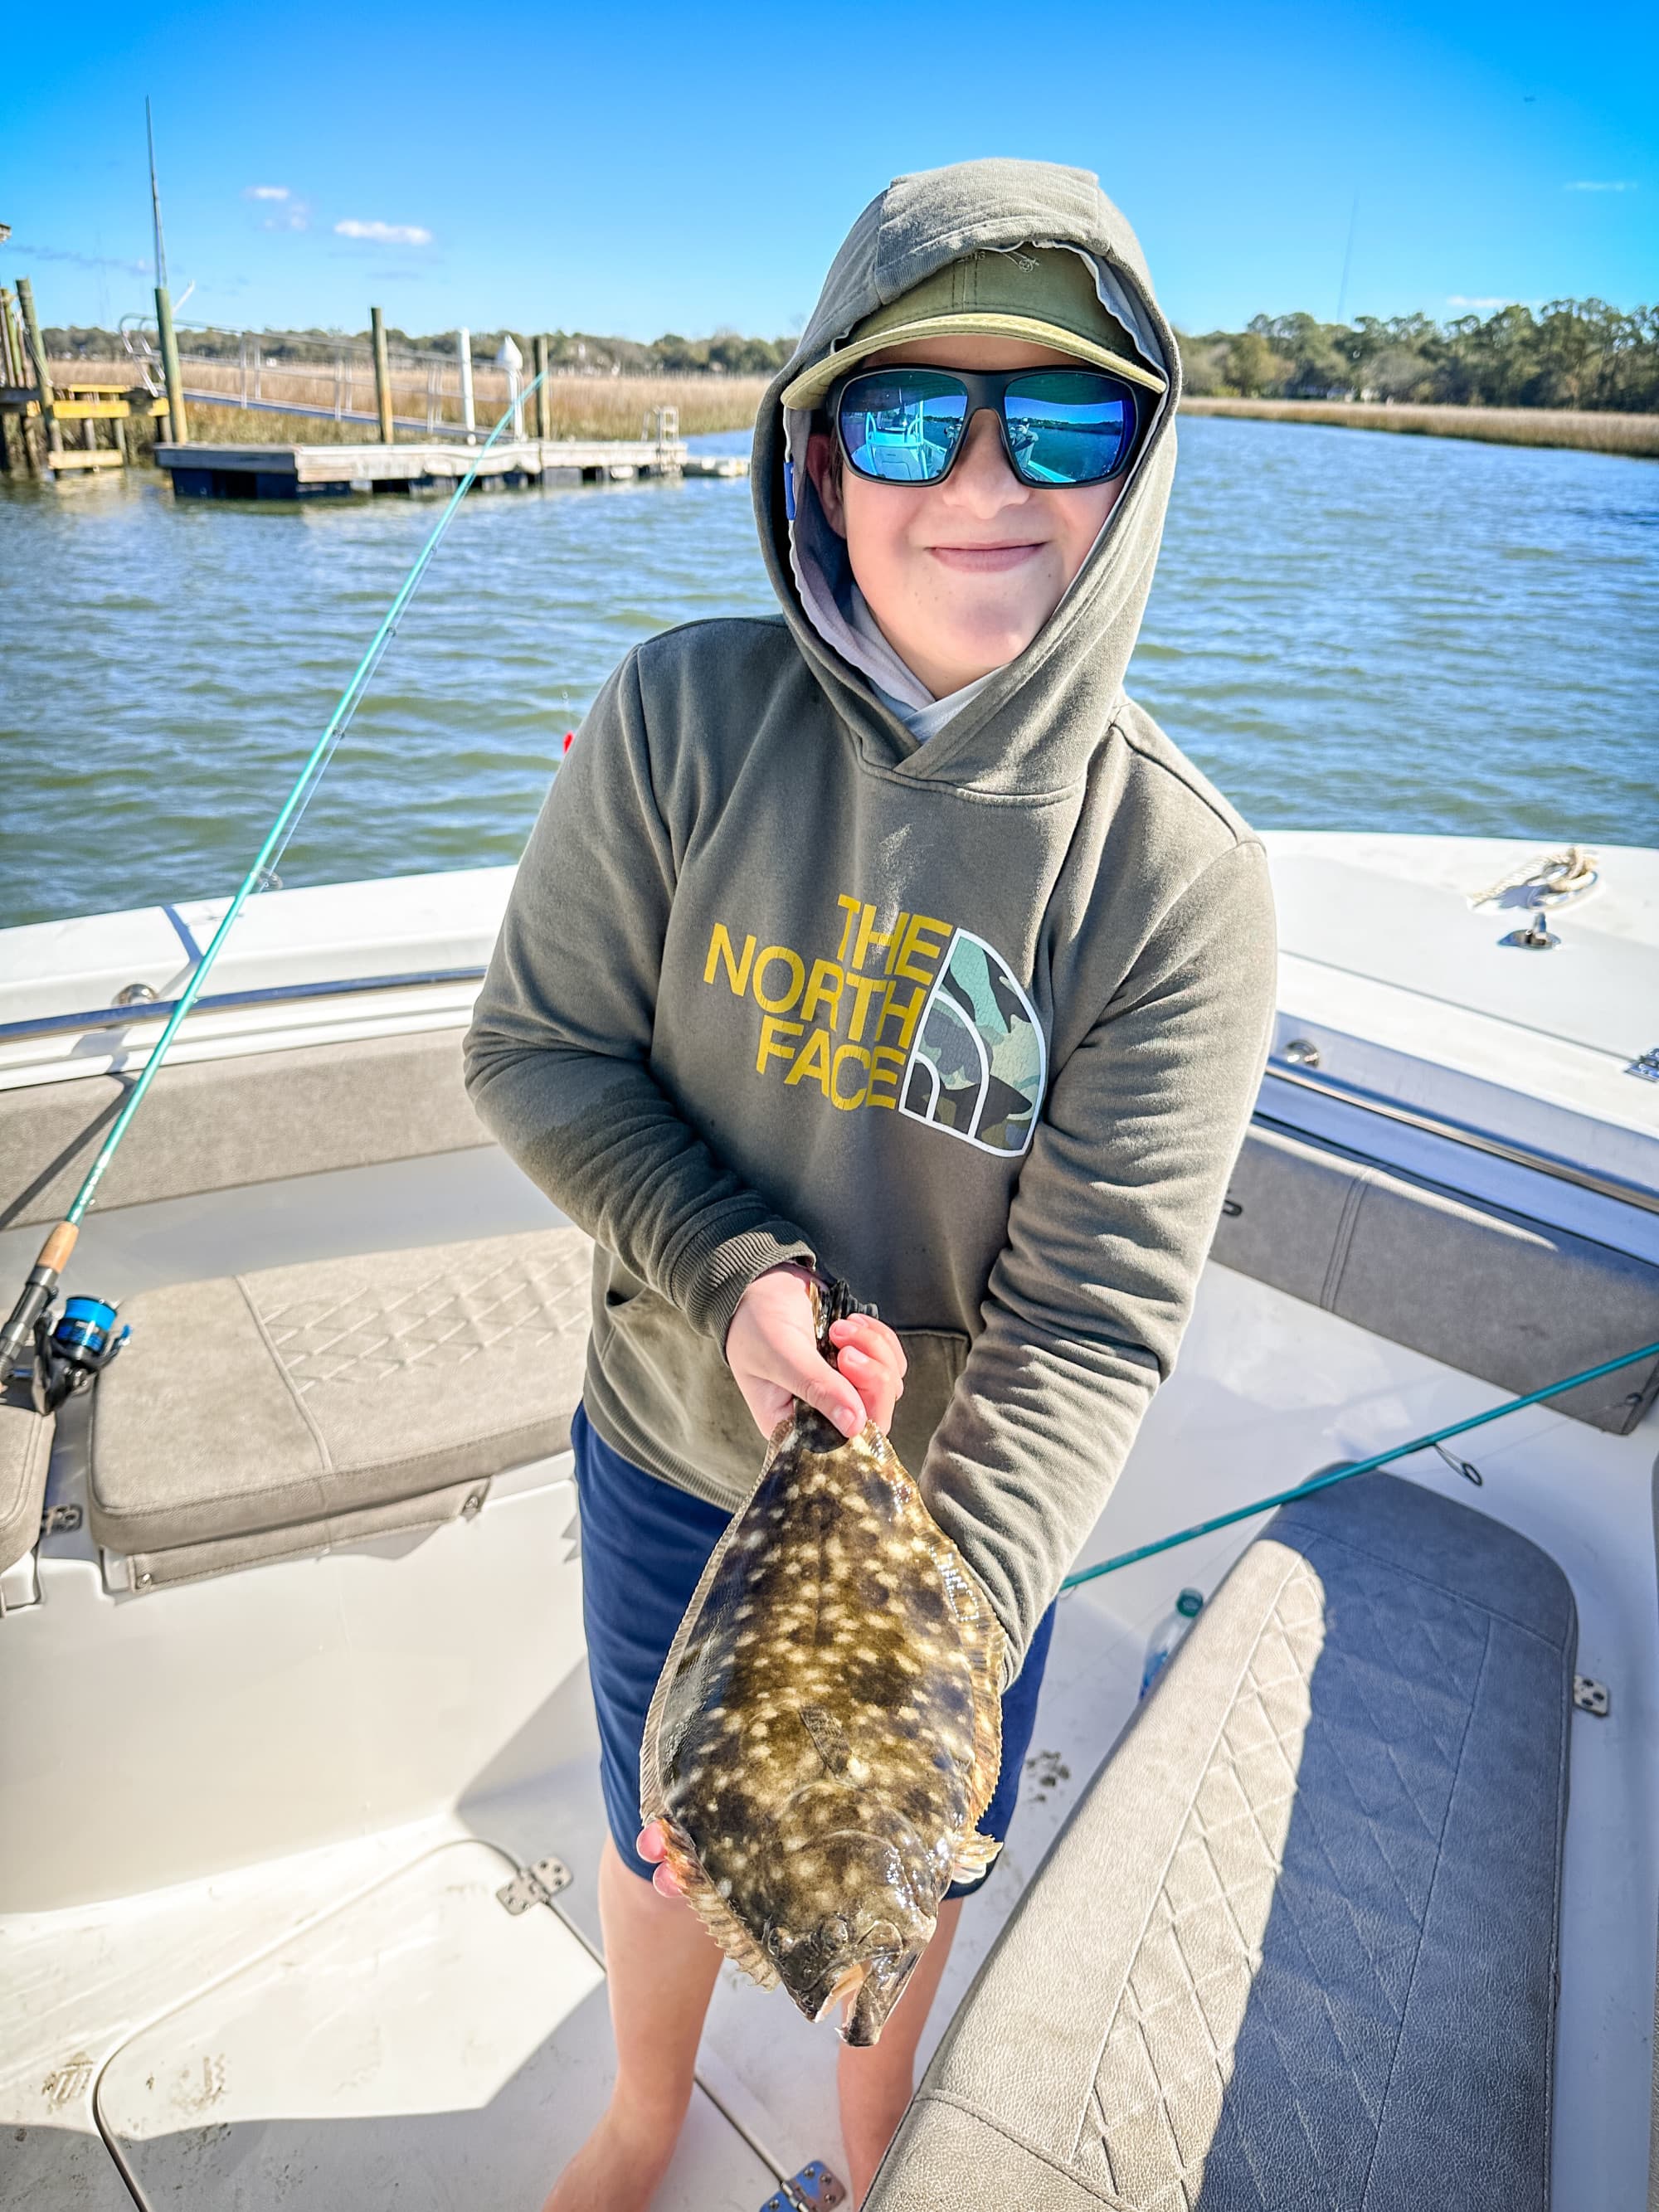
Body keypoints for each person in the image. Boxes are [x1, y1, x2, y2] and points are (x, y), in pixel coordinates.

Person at [464, 155, 1277, 2211]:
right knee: (666, 1829)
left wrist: (937, 1631)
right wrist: (731, 1262)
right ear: (821, 456)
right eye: (915, 413)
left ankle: (867, 2136)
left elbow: (1090, 1319)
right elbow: (536, 1050)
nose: (984, 477)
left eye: (1065, 417)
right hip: (666, 1452)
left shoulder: (1177, 880)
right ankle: (646, 2112)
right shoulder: (678, 722)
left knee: (895, 1878)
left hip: (951, 1539)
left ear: (1137, 463)